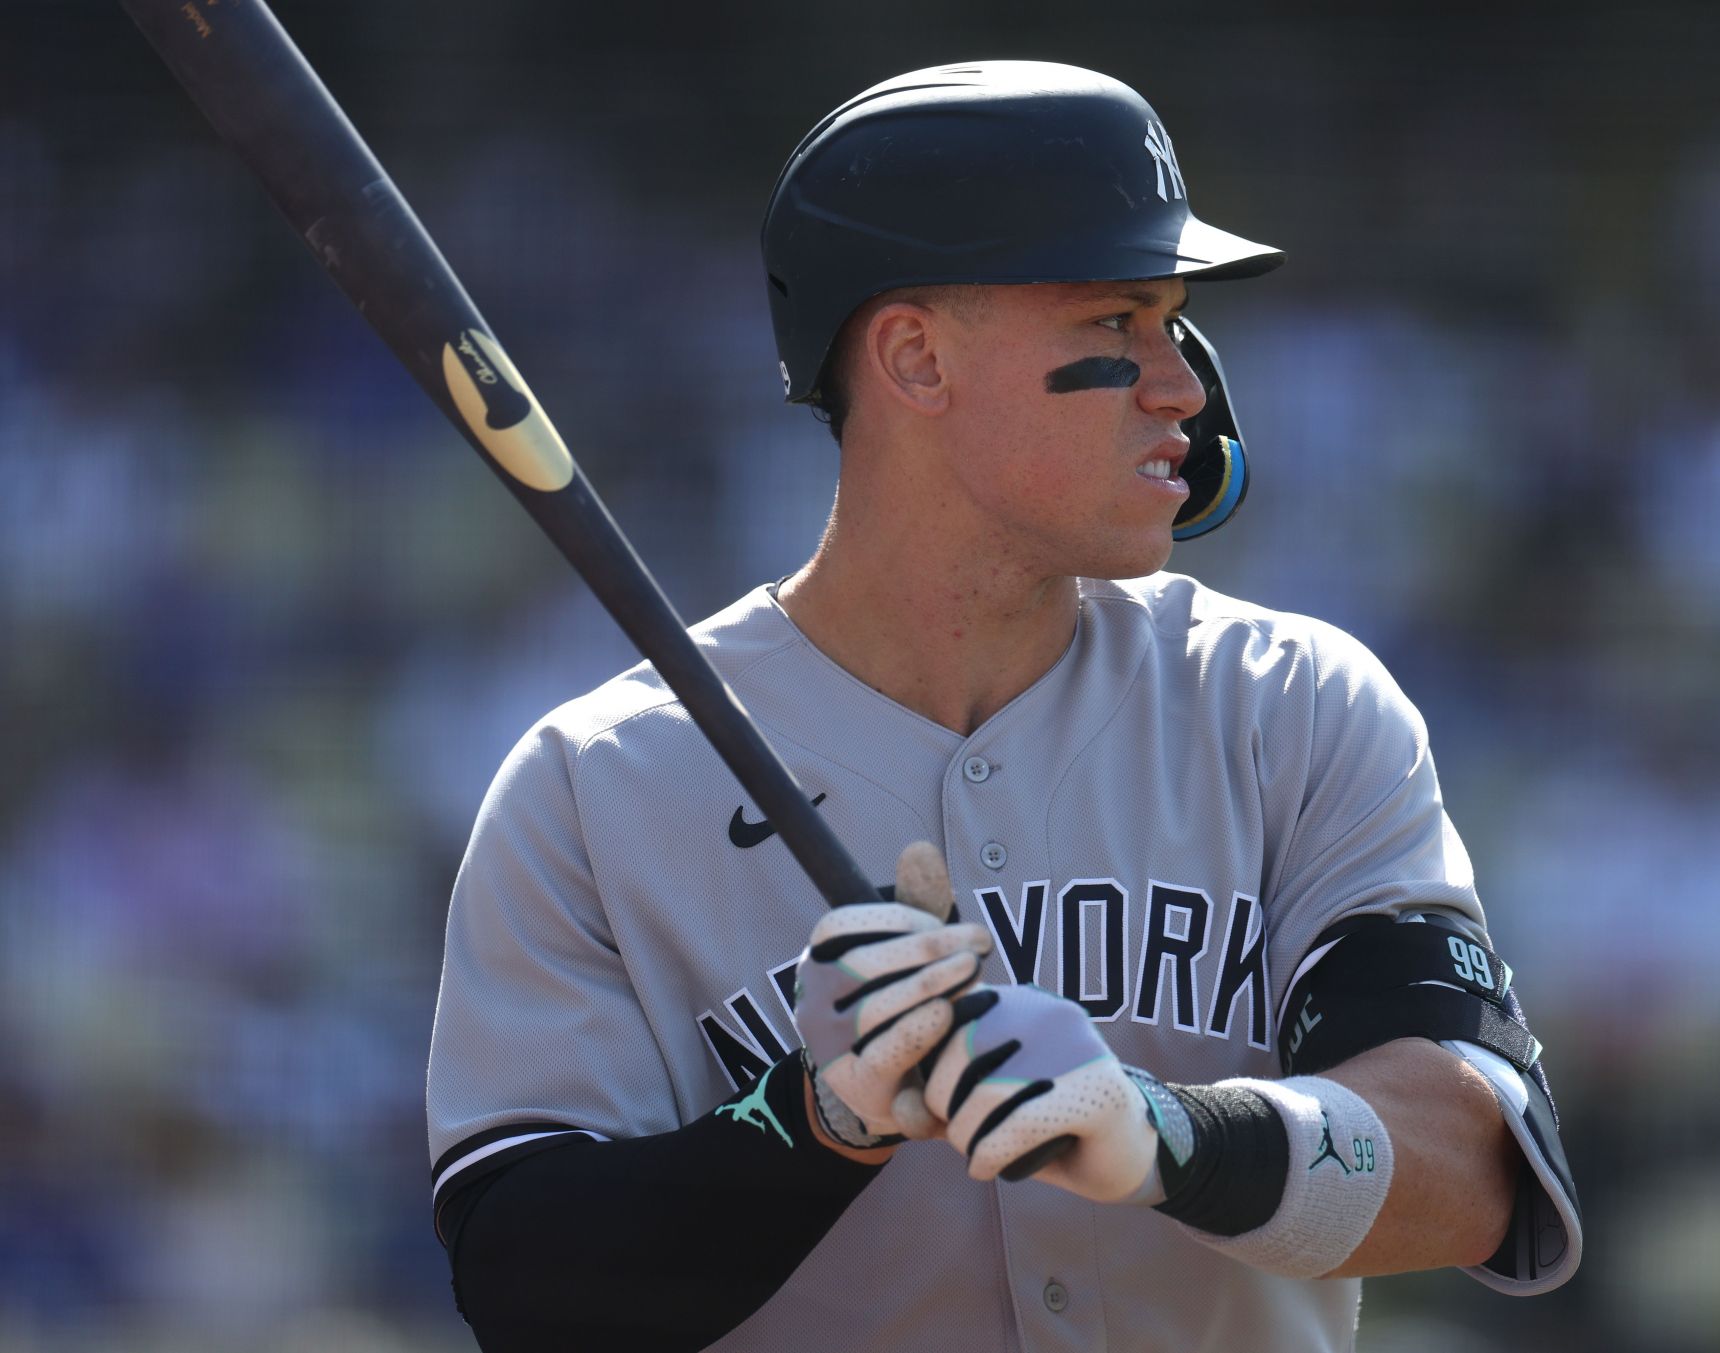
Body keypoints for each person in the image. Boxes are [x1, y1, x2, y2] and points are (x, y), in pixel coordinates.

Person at [425, 61, 1583, 1352]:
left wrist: (1175, 1133)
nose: (1185, 389)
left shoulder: (1293, 711)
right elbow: (525, 1283)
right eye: (1117, 326)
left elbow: (1474, 1160)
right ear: (915, 357)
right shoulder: (593, 789)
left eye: (1174, 323)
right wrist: (815, 1119)